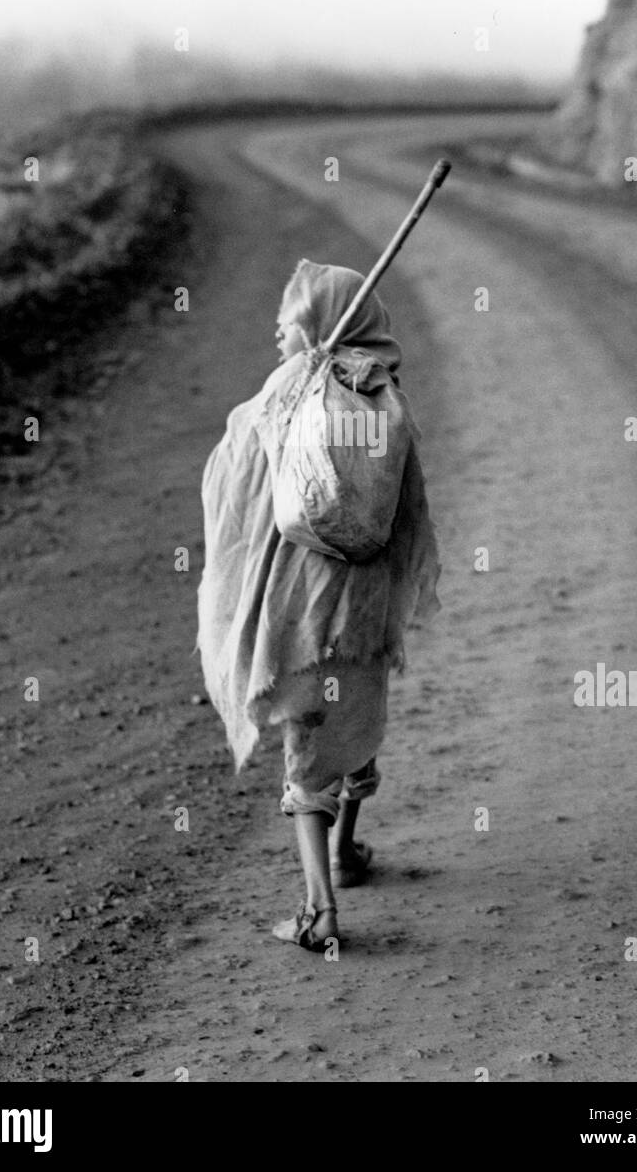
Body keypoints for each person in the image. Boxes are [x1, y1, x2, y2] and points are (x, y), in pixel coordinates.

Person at [196, 258, 440, 951]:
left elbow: (238, 492)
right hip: (360, 604)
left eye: (292, 316)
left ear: (320, 324)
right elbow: (409, 514)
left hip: (297, 606)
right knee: (352, 717)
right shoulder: (383, 395)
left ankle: (319, 910)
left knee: (307, 741)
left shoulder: (292, 389)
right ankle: (346, 853)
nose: (279, 327)